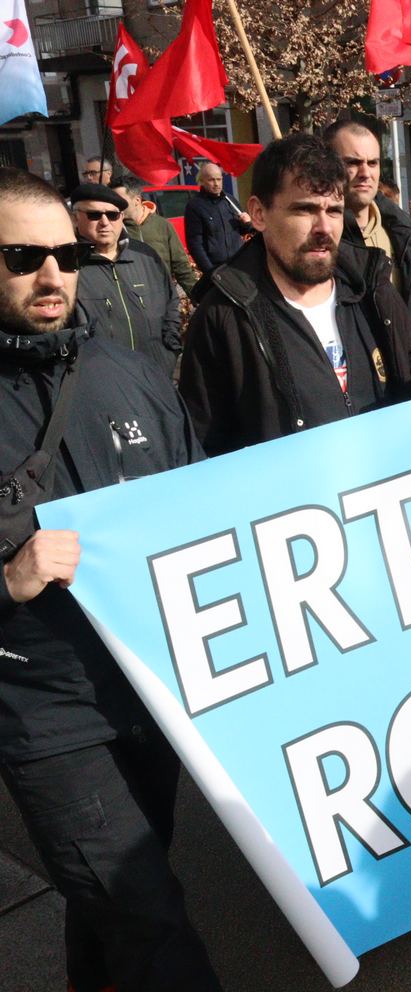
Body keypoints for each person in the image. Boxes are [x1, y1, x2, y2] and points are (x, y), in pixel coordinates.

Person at [0, 165, 222, 992]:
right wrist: (9, 580)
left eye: (65, 255)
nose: (52, 274)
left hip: (147, 687)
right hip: (45, 709)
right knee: (147, 918)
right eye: (22, 257)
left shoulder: (130, 373)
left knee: (124, 894)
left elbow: (198, 501)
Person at [179, 133, 411, 458]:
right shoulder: (223, 316)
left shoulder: (371, 288)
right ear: (259, 214)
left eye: (334, 211)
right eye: (304, 210)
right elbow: (204, 452)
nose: (324, 228)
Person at [322, 120, 411, 350]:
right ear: (326, 166)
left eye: (373, 163)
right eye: (353, 163)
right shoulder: (319, 241)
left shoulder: (403, 232)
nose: (365, 173)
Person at [71, 182, 181, 378]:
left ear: (121, 217)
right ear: (75, 218)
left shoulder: (146, 255)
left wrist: (170, 350)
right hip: (104, 380)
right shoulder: (66, 265)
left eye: (112, 215)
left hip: (156, 373)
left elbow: (171, 300)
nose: (105, 222)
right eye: (94, 215)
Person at [113, 174, 199, 297]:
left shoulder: (162, 225)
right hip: (131, 299)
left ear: (137, 200)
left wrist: (197, 297)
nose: (115, 205)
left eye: (120, 200)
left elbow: (181, 266)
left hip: (163, 296)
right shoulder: (113, 230)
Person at [183, 161, 252, 279]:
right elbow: (195, 245)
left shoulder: (230, 200)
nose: (216, 184)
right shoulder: (195, 206)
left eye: (219, 179)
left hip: (239, 266)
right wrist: (210, 272)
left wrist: (247, 223)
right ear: (202, 181)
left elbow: (244, 231)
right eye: (211, 180)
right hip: (217, 269)